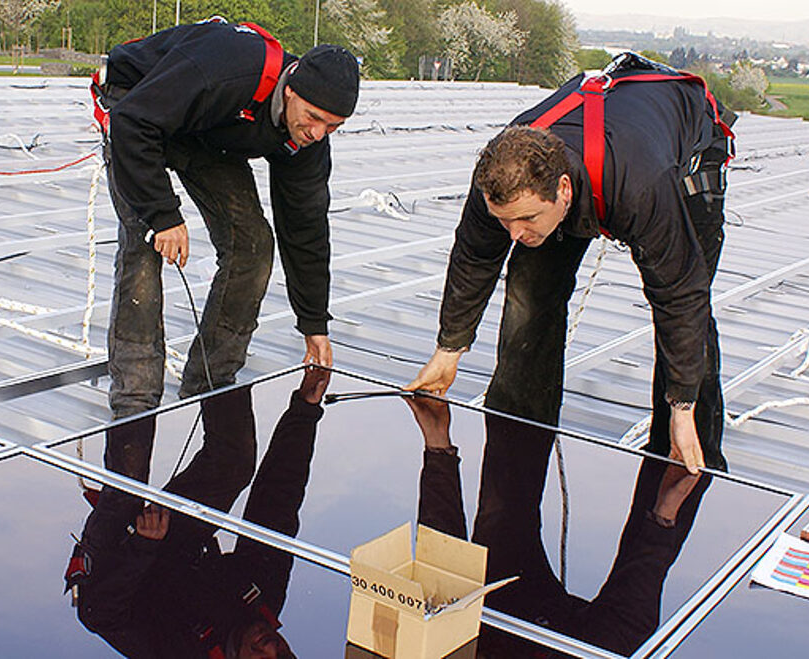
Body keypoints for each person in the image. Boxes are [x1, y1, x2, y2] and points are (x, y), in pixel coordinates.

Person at [408, 52, 735, 474]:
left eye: (526, 219)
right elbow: (474, 258)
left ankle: (686, 459)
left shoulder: (643, 187)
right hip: (590, 154)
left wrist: (683, 407)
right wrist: (448, 350)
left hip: (683, 146)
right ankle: (518, 448)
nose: (515, 234)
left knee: (687, 313)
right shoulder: (498, 177)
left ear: (563, 191)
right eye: (505, 221)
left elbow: (680, 297)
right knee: (529, 295)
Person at [94, 19, 359, 428]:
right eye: (313, 117)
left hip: (208, 128)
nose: (318, 133)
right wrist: (164, 215)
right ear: (291, 90)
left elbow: (305, 229)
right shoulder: (229, 72)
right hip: (139, 105)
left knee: (252, 245)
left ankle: (210, 383)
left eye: (333, 127)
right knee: (145, 242)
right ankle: (135, 401)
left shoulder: (308, 139)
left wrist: (314, 323)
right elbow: (134, 122)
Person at [404, 395, 710, 657]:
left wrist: (438, 447)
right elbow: (631, 611)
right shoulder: (612, 639)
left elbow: (440, 579)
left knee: (504, 500)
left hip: (501, 608)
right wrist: (663, 515)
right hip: (577, 639)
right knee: (681, 470)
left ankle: (532, 351)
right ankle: (695, 390)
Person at [68, 367, 331, 658]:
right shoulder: (263, 598)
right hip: (174, 546)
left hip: (122, 559)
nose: (270, 646)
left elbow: (98, 615)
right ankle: (220, 361)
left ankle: (135, 377)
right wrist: (305, 410)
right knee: (233, 465)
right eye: (283, 654)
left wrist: (142, 546)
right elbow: (277, 505)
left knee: (126, 487)